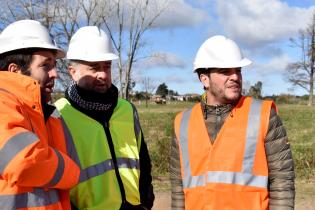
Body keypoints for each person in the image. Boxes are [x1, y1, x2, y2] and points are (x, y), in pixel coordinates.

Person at [170, 35, 295, 210]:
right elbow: (178, 188)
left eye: (238, 70)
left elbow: (282, 181)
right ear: (204, 78)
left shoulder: (264, 115)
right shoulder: (182, 123)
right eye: (225, 71)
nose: (235, 77)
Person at [54, 26, 154, 210]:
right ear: (72, 72)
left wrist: (146, 202)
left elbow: (143, 161)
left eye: (107, 66)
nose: (102, 75)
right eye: (94, 68)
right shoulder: (59, 115)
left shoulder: (127, 110)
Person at [0, 20, 80, 209]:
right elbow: (22, 161)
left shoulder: (51, 116)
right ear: (15, 71)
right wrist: (70, 172)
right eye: (45, 66)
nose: (55, 74)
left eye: (54, 65)